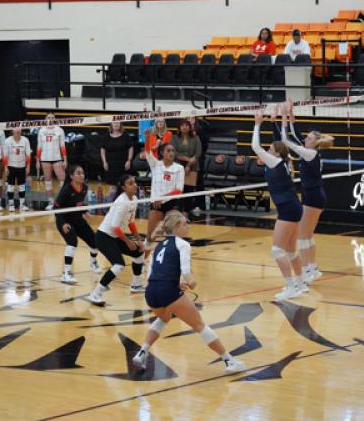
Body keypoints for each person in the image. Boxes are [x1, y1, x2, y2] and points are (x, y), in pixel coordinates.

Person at [132, 211, 245, 372]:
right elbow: (186, 272)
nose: (188, 226)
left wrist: (173, 284)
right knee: (199, 325)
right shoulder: (183, 244)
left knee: (164, 318)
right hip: (167, 290)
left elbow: (151, 274)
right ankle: (229, 361)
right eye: (185, 224)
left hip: (151, 292)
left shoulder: (158, 246)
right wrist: (191, 282)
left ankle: (142, 352)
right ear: (177, 227)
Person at [251, 108, 306, 299]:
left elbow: (256, 148)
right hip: (292, 206)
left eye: (270, 149)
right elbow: (278, 142)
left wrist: (257, 125)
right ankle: (300, 285)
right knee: (290, 250)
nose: (267, 151)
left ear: (275, 153)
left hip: (289, 208)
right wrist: (275, 121)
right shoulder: (280, 161)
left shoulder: (275, 162)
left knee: (277, 250)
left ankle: (291, 287)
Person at [283, 100, 333, 283]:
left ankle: (304, 272)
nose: (306, 139)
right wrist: (290, 114)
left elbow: (289, 141)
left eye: (309, 138)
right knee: (308, 234)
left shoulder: (310, 153)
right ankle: (312, 268)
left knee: (303, 236)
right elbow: (297, 137)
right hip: (315, 195)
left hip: (313, 196)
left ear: (315, 143)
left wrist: (283, 120)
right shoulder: (311, 151)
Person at [87, 174, 146, 305]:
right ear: (124, 187)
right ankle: (95, 294)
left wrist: (138, 241)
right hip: (103, 237)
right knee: (119, 265)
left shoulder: (134, 199)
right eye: (130, 183)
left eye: (134, 182)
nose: (135, 185)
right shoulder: (122, 202)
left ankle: (136, 285)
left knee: (139, 253)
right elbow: (114, 227)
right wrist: (127, 241)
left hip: (113, 236)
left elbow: (131, 223)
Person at [54, 164, 100, 284]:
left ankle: (93, 262)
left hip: (77, 219)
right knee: (72, 242)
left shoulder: (84, 188)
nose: (81, 175)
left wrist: (85, 212)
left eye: (82, 173)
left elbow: (77, 204)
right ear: (71, 176)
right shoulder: (66, 190)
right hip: (63, 220)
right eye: (78, 173)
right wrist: (63, 224)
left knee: (95, 241)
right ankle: (66, 273)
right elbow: (56, 208)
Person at [143, 128, 184, 254]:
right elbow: (148, 152)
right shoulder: (155, 164)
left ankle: (172, 263)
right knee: (151, 236)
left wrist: (163, 198)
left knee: (173, 236)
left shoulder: (179, 168)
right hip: (156, 204)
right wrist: (147, 138)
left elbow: (179, 190)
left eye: (173, 151)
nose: (171, 153)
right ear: (162, 153)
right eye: (168, 150)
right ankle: (141, 264)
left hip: (171, 203)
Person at [171, 120, 202, 216]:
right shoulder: (175, 138)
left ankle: (186, 213)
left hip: (192, 167)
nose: (184, 127)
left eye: (186, 125)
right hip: (177, 166)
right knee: (179, 190)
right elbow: (173, 152)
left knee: (189, 190)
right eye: (182, 125)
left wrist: (188, 164)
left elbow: (198, 153)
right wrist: (185, 159)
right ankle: (179, 212)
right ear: (179, 128)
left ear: (190, 127)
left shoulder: (196, 138)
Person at [36, 113, 67, 211]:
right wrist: (37, 160)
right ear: (45, 119)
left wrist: (65, 159)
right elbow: (39, 147)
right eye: (48, 117)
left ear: (55, 119)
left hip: (57, 158)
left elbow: (62, 146)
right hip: (45, 159)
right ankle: (51, 202)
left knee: (63, 180)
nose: (50, 119)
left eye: (52, 117)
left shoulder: (59, 130)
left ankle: (62, 202)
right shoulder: (41, 130)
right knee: (48, 181)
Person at [3, 128, 31, 212]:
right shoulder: (7, 141)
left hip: (22, 166)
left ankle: (22, 204)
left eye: (19, 129)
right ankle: (11, 204)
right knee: (10, 186)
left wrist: (28, 166)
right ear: (12, 131)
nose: (17, 131)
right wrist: (5, 167)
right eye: (15, 129)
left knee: (21, 186)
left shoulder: (25, 140)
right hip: (11, 166)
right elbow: (5, 155)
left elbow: (28, 154)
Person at [100, 121, 134, 190]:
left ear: (120, 125)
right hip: (111, 166)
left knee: (124, 184)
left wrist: (129, 160)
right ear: (111, 125)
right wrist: (104, 162)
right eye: (114, 123)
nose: (115, 124)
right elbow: (102, 149)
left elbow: (131, 148)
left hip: (123, 165)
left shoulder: (125, 135)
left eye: (117, 123)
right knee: (112, 187)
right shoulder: (106, 136)